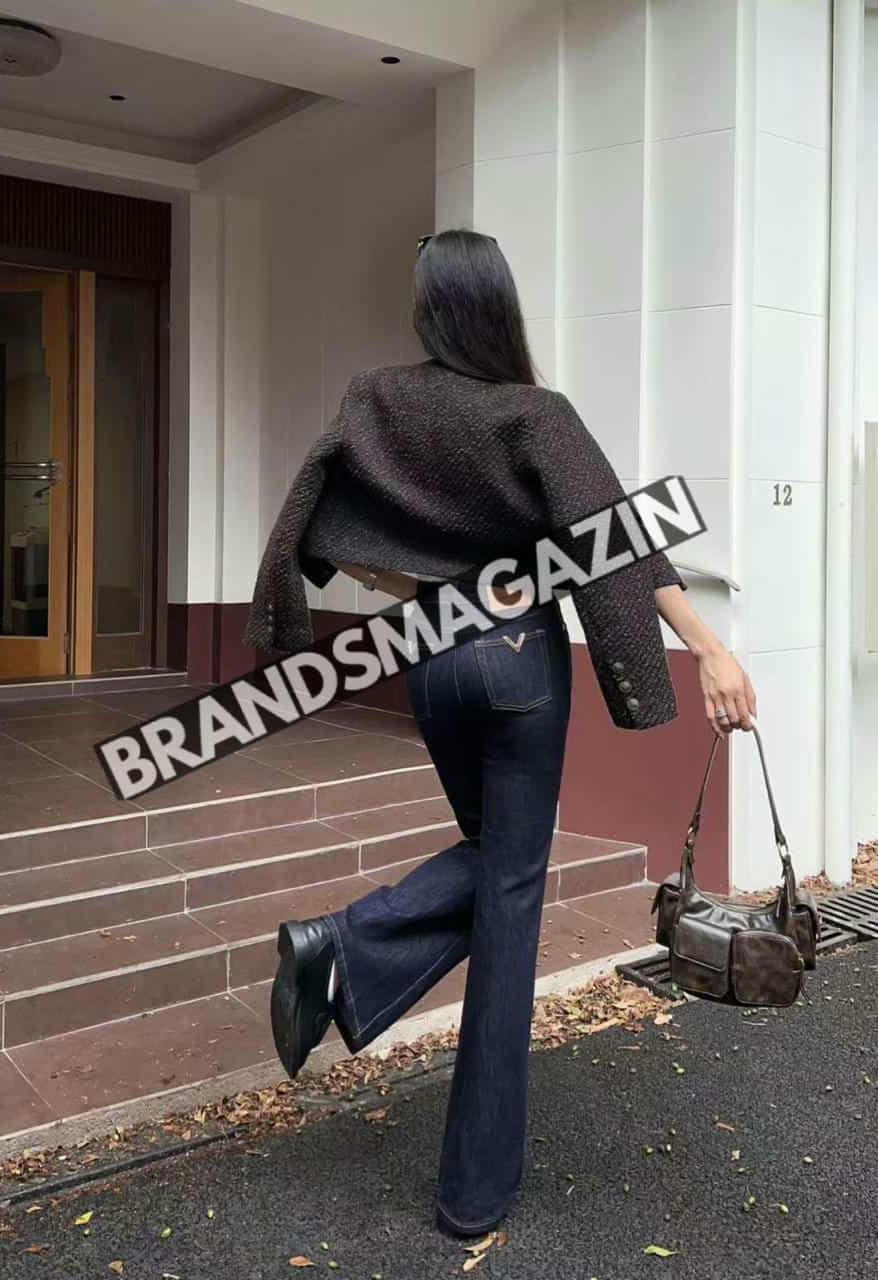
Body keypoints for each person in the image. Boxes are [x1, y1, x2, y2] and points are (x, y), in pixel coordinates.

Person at [243, 229, 756, 1239]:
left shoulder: (377, 399)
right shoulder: (534, 412)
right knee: (511, 892)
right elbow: (619, 540)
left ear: (430, 307)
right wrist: (709, 650)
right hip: (518, 661)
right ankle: (468, 1188)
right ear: (500, 305)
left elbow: (327, 524)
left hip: (431, 657)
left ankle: (344, 953)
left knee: (496, 862)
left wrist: (425, 594)